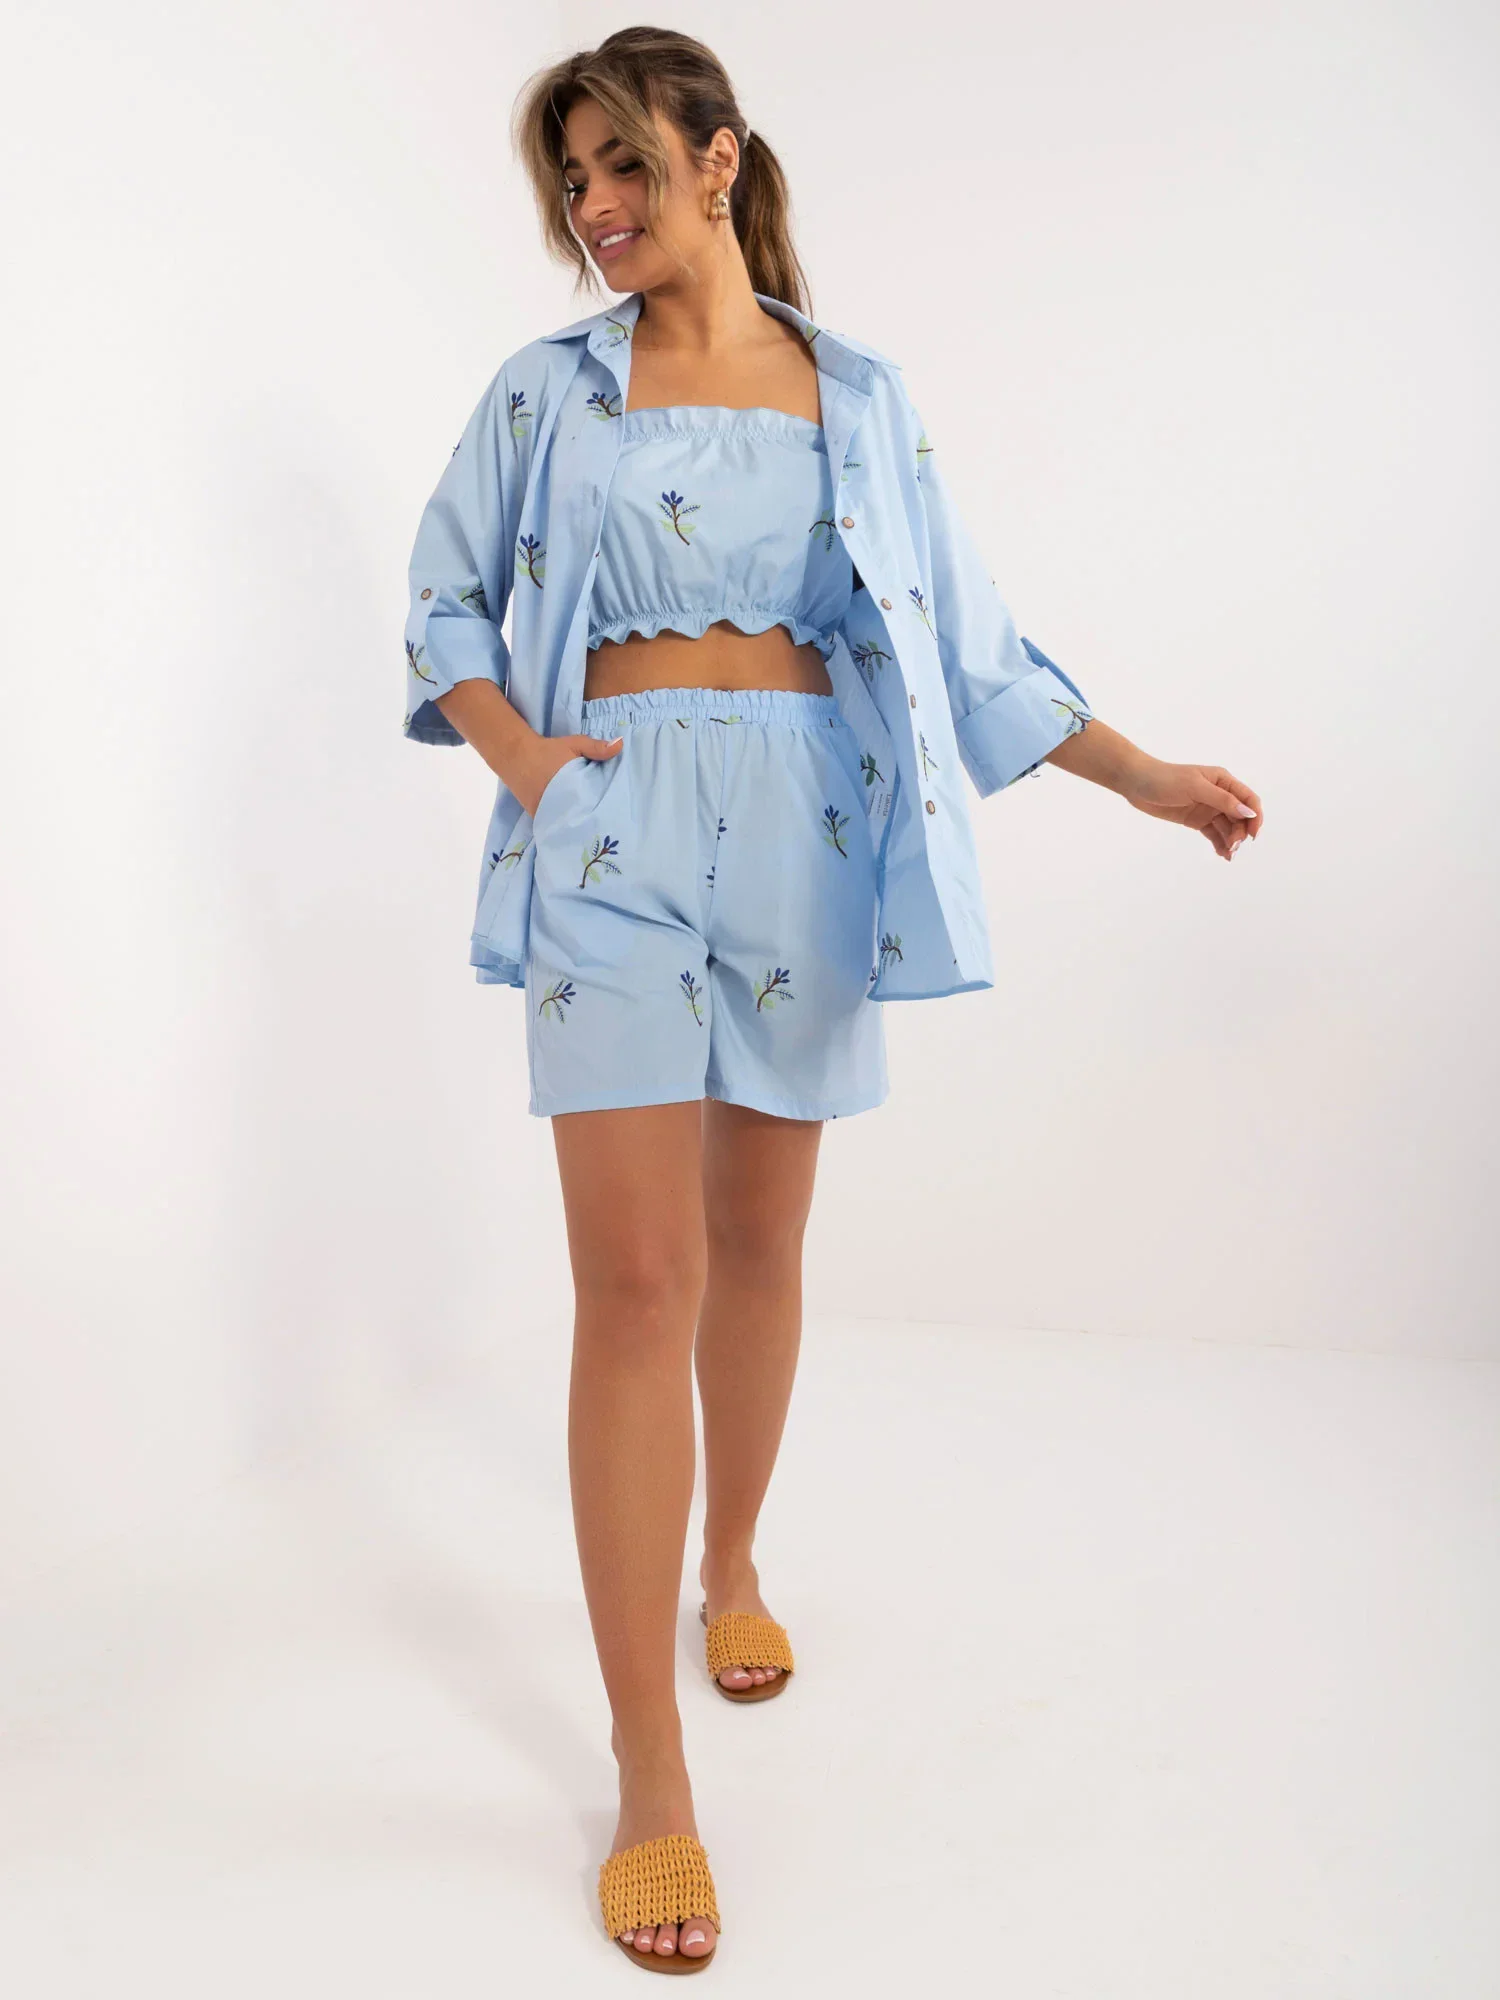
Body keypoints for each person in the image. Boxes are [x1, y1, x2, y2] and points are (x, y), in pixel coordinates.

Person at [402, 25, 1263, 1974]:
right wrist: (527, 763)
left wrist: (1143, 775)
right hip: (610, 821)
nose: (593, 209)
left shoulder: (857, 397)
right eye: (571, 181)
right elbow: (443, 600)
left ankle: (731, 1557)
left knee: (760, 1238)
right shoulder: (545, 392)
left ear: (717, 158)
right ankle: (649, 1764)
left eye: (624, 165)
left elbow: (973, 646)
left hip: (803, 827)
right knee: (634, 1283)